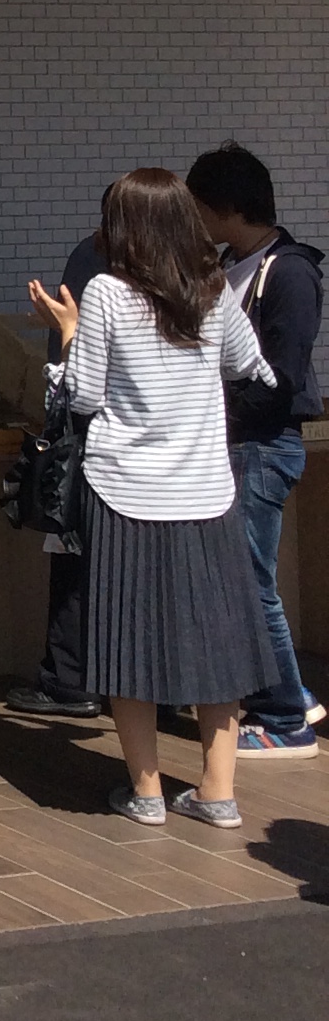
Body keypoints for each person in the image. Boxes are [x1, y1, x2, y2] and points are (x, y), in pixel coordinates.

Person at [29, 168, 277, 830]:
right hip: (206, 490)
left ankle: (146, 793)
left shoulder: (108, 292)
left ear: (126, 227)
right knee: (217, 640)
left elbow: (83, 395)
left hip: (125, 491)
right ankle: (217, 793)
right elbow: (246, 364)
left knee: (127, 640)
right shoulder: (211, 288)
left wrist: (67, 332)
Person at [186, 142, 324, 757]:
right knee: (237, 580)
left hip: (263, 447)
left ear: (226, 208)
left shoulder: (288, 270)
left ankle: (287, 715)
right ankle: (282, 696)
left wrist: (222, 412)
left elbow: (282, 376)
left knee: (250, 583)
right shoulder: (228, 264)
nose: (194, 220)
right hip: (232, 447)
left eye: (198, 207)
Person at [6, 205, 109, 721]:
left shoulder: (97, 268)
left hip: (91, 451)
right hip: (175, 474)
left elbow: (79, 389)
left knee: (74, 562)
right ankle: (144, 689)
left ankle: (70, 681)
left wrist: (67, 334)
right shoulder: (189, 281)